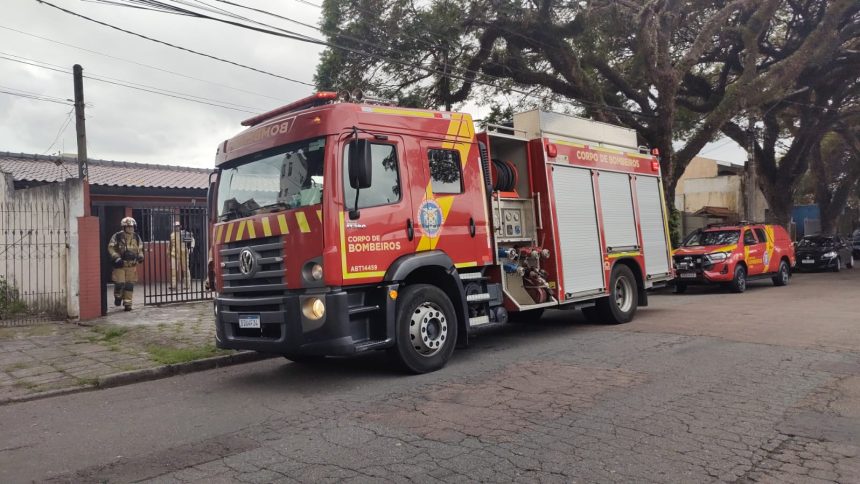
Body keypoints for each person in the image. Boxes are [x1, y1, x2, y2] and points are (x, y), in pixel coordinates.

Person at [107, 217, 144, 311]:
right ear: (124, 227)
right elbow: (111, 247)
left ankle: (128, 303)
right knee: (119, 283)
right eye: (128, 227)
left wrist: (140, 256)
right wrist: (116, 257)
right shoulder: (117, 236)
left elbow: (140, 248)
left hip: (131, 265)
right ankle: (118, 296)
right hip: (120, 265)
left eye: (132, 227)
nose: (131, 229)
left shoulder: (136, 237)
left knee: (129, 285)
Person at [168, 221, 195, 291]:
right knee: (173, 269)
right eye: (175, 226)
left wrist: (191, 247)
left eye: (178, 226)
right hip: (174, 254)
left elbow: (192, 240)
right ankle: (173, 285)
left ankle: (186, 285)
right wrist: (168, 254)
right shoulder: (172, 235)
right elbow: (169, 245)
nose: (177, 227)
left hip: (184, 253)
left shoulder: (184, 233)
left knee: (185, 269)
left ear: (180, 226)